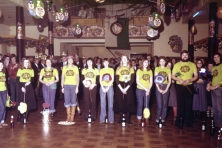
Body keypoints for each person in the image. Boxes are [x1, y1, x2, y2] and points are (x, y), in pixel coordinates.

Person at [172, 50, 198, 129]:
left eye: (186, 55)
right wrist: (178, 79)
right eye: (183, 55)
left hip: (189, 86)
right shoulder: (177, 65)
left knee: (188, 104)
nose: (185, 56)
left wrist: (190, 80)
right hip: (179, 86)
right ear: (181, 56)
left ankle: (188, 122)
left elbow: (196, 76)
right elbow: (173, 76)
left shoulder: (192, 64)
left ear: (188, 56)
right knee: (180, 104)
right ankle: (179, 122)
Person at [114, 55, 136, 125]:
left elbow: (132, 79)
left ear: (127, 60)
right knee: (120, 102)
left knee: (128, 102)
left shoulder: (131, 68)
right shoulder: (118, 68)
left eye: (125, 58)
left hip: (128, 86)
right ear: (121, 60)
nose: (124, 60)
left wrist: (126, 88)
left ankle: (127, 119)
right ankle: (120, 119)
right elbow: (116, 80)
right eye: (123, 58)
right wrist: (121, 89)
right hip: (120, 86)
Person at [16, 58, 36, 123]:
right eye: (25, 63)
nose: (26, 64)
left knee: (28, 102)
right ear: (23, 63)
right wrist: (21, 87)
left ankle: (25, 116)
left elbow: (33, 79)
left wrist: (29, 82)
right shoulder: (20, 70)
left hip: (29, 86)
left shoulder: (31, 70)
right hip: (22, 86)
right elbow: (17, 79)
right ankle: (19, 116)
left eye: (27, 62)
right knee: (21, 102)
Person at [61, 55, 79, 123]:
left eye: (71, 60)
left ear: (73, 60)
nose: (70, 61)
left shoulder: (75, 68)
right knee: (67, 100)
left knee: (73, 100)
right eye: (69, 60)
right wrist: (62, 87)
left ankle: (72, 116)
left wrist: (77, 87)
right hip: (66, 85)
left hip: (73, 85)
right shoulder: (64, 67)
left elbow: (77, 78)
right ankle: (68, 116)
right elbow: (62, 77)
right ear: (67, 60)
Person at [207, 53, 222, 128]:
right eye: (214, 57)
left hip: (219, 89)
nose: (216, 58)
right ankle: (216, 124)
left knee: (220, 108)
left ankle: (220, 124)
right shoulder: (213, 67)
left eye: (217, 57)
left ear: (220, 57)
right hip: (213, 89)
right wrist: (209, 84)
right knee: (214, 108)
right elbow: (212, 78)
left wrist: (216, 86)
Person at [154, 56, 171, 125]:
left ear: (165, 62)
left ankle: (163, 119)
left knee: (165, 105)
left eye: (163, 61)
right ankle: (157, 119)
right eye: (160, 61)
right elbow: (155, 80)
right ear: (159, 62)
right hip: (158, 86)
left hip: (166, 86)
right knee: (159, 105)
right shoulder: (157, 68)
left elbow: (169, 80)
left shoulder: (168, 69)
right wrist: (158, 89)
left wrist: (166, 89)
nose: (162, 62)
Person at [82, 58, 99, 122]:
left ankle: (93, 116)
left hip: (93, 86)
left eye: (90, 62)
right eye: (88, 62)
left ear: (92, 63)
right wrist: (85, 83)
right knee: (86, 101)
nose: (89, 63)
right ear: (86, 63)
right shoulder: (84, 70)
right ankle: (86, 116)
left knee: (93, 101)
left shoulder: (96, 70)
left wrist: (93, 84)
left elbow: (98, 79)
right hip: (85, 86)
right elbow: (82, 78)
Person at [136, 59, 153, 125]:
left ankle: (146, 118)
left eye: (147, 62)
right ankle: (139, 118)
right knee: (140, 104)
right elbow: (137, 81)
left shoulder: (150, 71)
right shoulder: (139, 70)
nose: (146, 63)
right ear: (142, 63)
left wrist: (148, 89)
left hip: (148, 90)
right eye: (145, 62)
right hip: (140, 89)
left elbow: (151, 82)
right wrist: (145, 89)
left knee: (146, 105)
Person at [99, 58, 114, 124]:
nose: (105, 63)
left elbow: (112, 79)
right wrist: (102, 87)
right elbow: (100, 80)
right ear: (103, 63)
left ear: (108, 63)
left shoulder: (111, 69)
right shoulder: (101, 70)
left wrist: (108, 88)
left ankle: (111, 119)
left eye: (106, 62)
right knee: (102, 104)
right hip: (102, 87)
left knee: (110, 104)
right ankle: (102, 119)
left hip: (110, 87)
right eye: (104, 62)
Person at [0, 60, 8, 128]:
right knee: (1, 107)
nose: (1, 66)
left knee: (4, 107)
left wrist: (7, 92)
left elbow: (5, 83)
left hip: (4, 91)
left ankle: (2, 121)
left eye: (2, 65)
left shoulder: (3, 73)